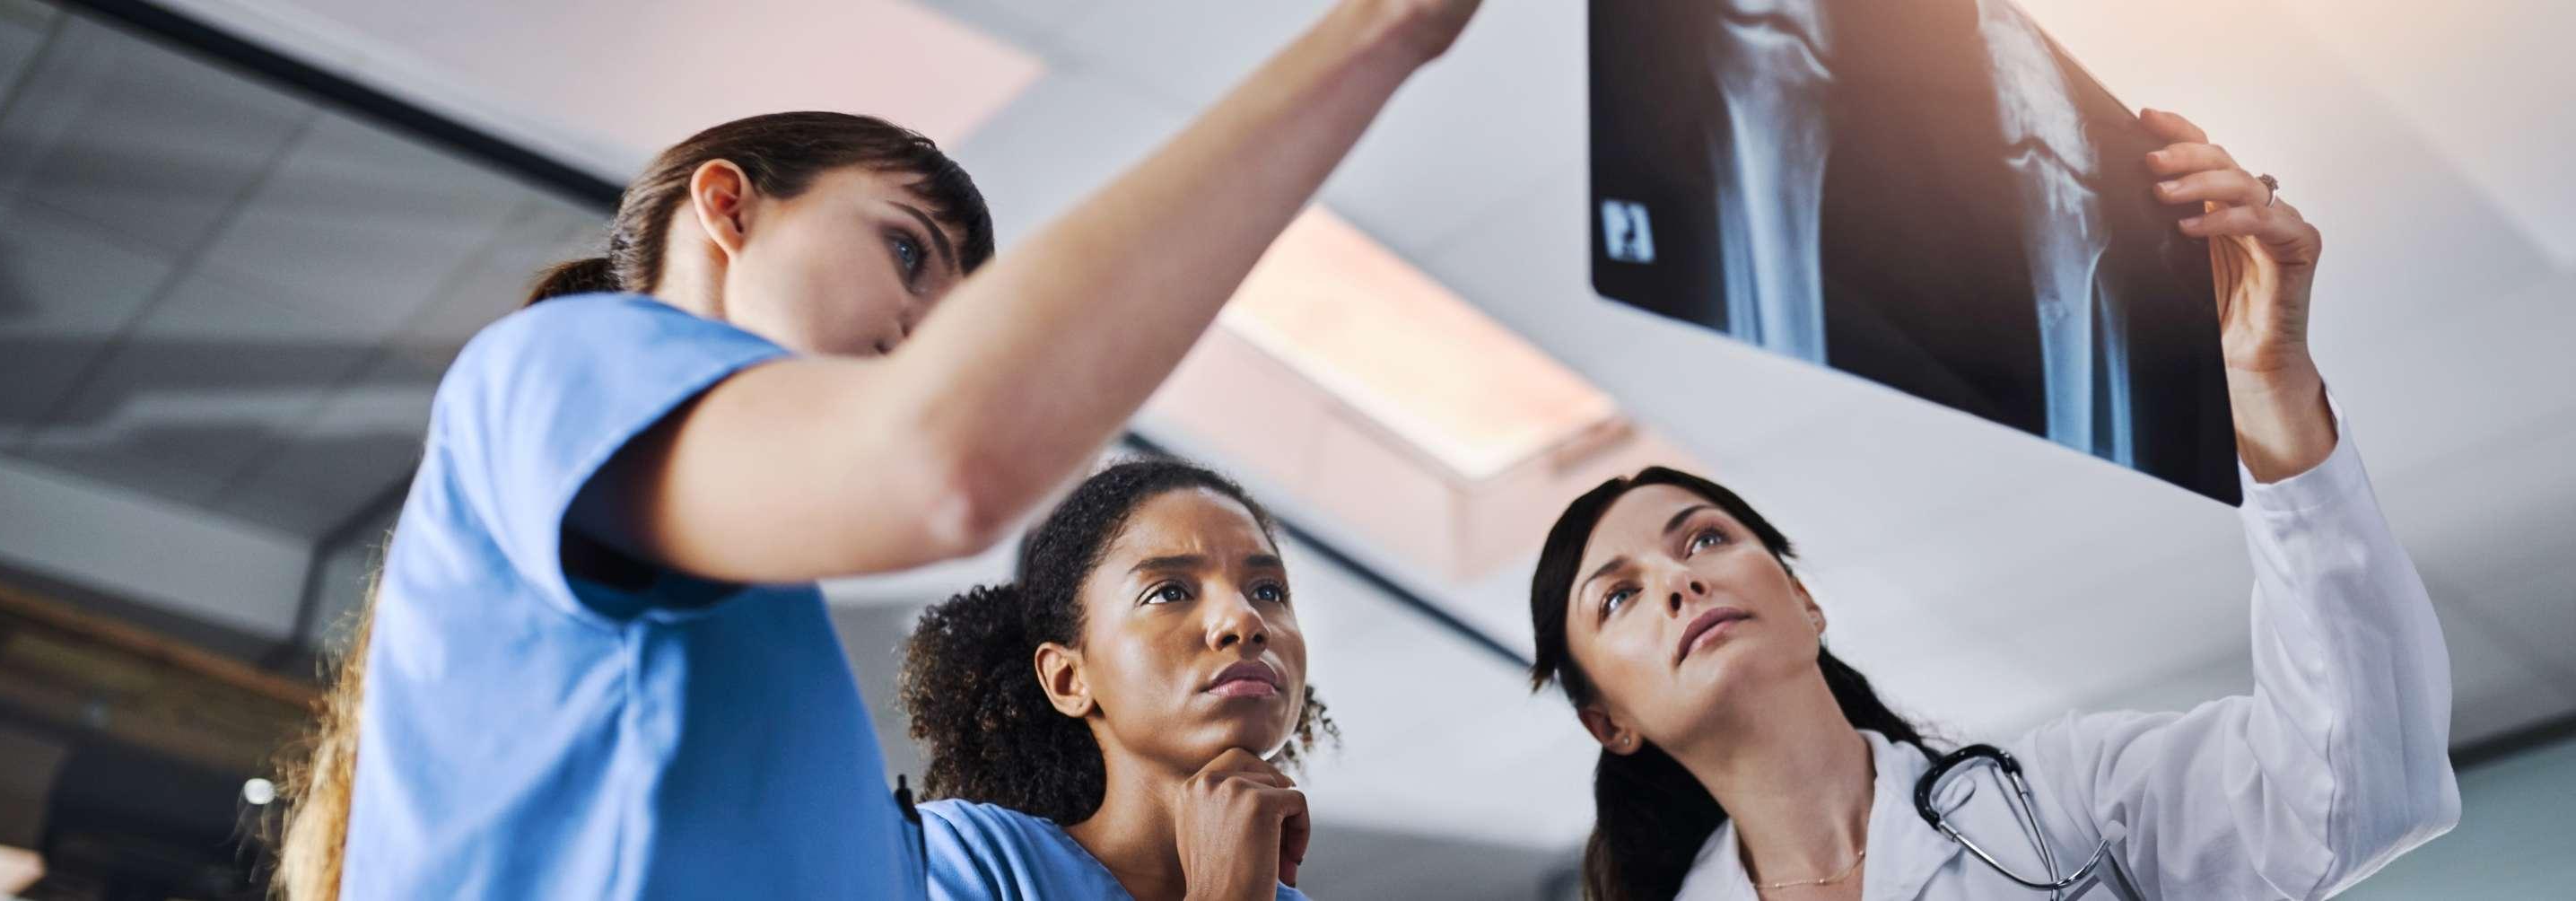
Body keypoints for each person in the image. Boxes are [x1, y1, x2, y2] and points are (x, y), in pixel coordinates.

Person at [270, 1, 1486, 897]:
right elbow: (944, 464)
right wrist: (1384, 32)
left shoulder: (805, 738)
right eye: (907, 251)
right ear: (728, 208)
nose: (921, 334)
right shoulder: (557, 367)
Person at [1525, 109, 2459, 900]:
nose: (1680, 580)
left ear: (1805, 600)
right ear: (1609, 720)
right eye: (1619, 596)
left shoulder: (2063, 803)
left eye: (1705, 537)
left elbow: (2352, 793)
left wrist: (2268, 393)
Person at [901, 459, 1334, 900]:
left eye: (1268, 591)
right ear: (1069, 679)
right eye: (1169, 592)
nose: (1246, 619)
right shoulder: (962, 857)